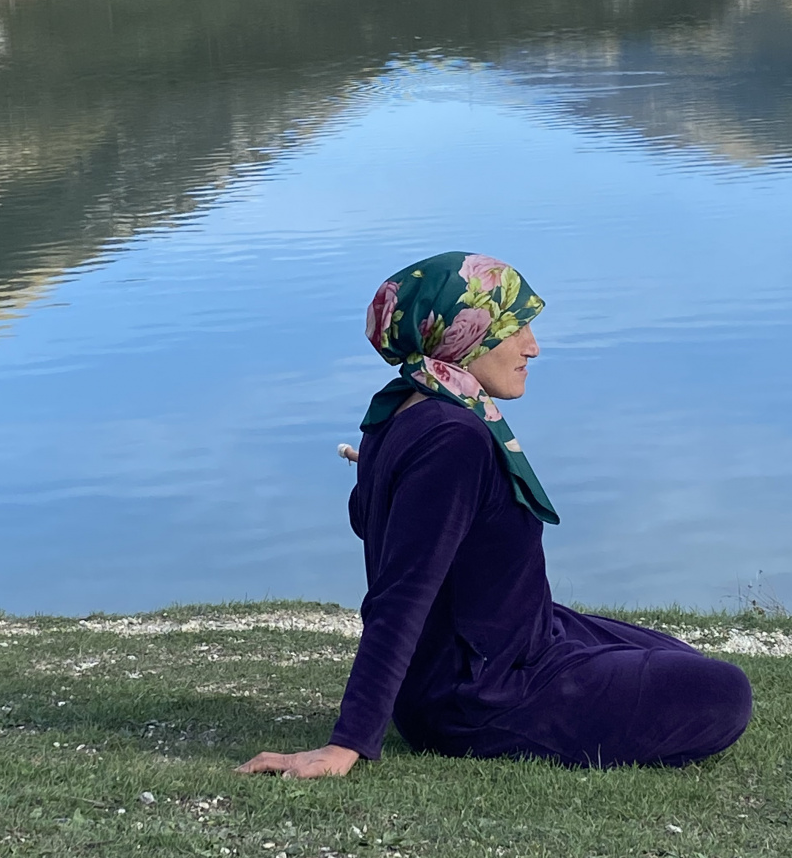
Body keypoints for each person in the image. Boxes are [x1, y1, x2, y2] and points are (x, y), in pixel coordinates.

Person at [237, 252, 751, 780]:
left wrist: (383, 472)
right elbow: (402, 593)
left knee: (674, 653)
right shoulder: (454, 437)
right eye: (515, 329)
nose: (533, 347)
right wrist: (347, 743)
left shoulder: (404, 410)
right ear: (465, 336)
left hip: (507, 640)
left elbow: (370, 520)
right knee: (723, 692)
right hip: (478, 691)